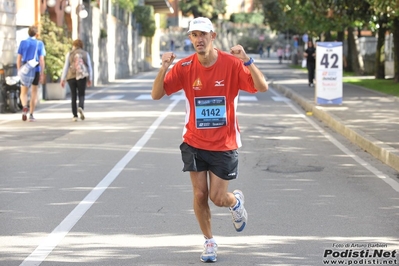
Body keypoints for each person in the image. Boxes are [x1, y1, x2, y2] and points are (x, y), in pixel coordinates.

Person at [151, 17, 268, 263]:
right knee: (199, 195)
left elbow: (262, 87)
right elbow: (157, 94)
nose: (198, 39)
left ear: (213, 36)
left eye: (203, 34)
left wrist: (247, 60)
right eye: (194, 35)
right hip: (194, 141)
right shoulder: (184, 67)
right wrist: (164, 68)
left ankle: (235, 202)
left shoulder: (232, 64)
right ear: (190, 38)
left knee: (217, 198)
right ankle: (209, 241)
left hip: (224, 143)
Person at [17, 25, 46, 122]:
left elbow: (19, 58)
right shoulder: (39, 43)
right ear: (36, 34)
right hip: (36, 69)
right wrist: (42, 73)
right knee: (34, 92)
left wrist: (19, 70)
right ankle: (31, 115)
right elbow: (41, 60)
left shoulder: (23, 42)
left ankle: (25, 106)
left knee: (23, 92)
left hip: (25, 69)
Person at [60, 39, 93, 122]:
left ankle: (74, 115)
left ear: (74, 45)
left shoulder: (70, 54)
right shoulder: (85, 54)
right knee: (81, 94)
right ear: (82, 45)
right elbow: (89, 67)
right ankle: (81, 107)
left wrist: (62, 79)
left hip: (71, 76)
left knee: (73, 95)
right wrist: (90, 78)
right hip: (82, 76)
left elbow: (66, 66)